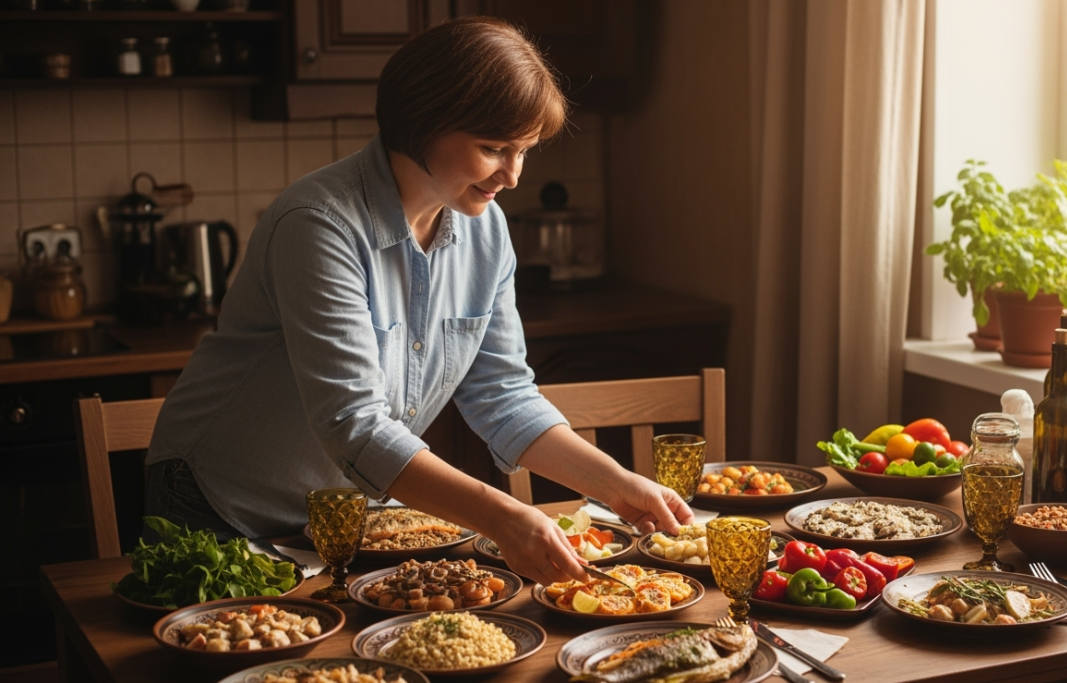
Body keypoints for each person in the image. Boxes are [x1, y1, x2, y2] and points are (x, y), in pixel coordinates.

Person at [144, 17, 691, 584]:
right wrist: (503, 517)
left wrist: (617, 485)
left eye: (524, 151)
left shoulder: (486, 230)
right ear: (423, 123)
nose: (512, 175)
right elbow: (355, 423)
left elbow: (504, 396)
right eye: (493, 149)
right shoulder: (318, 224)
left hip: (345, 515)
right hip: (222, 506)